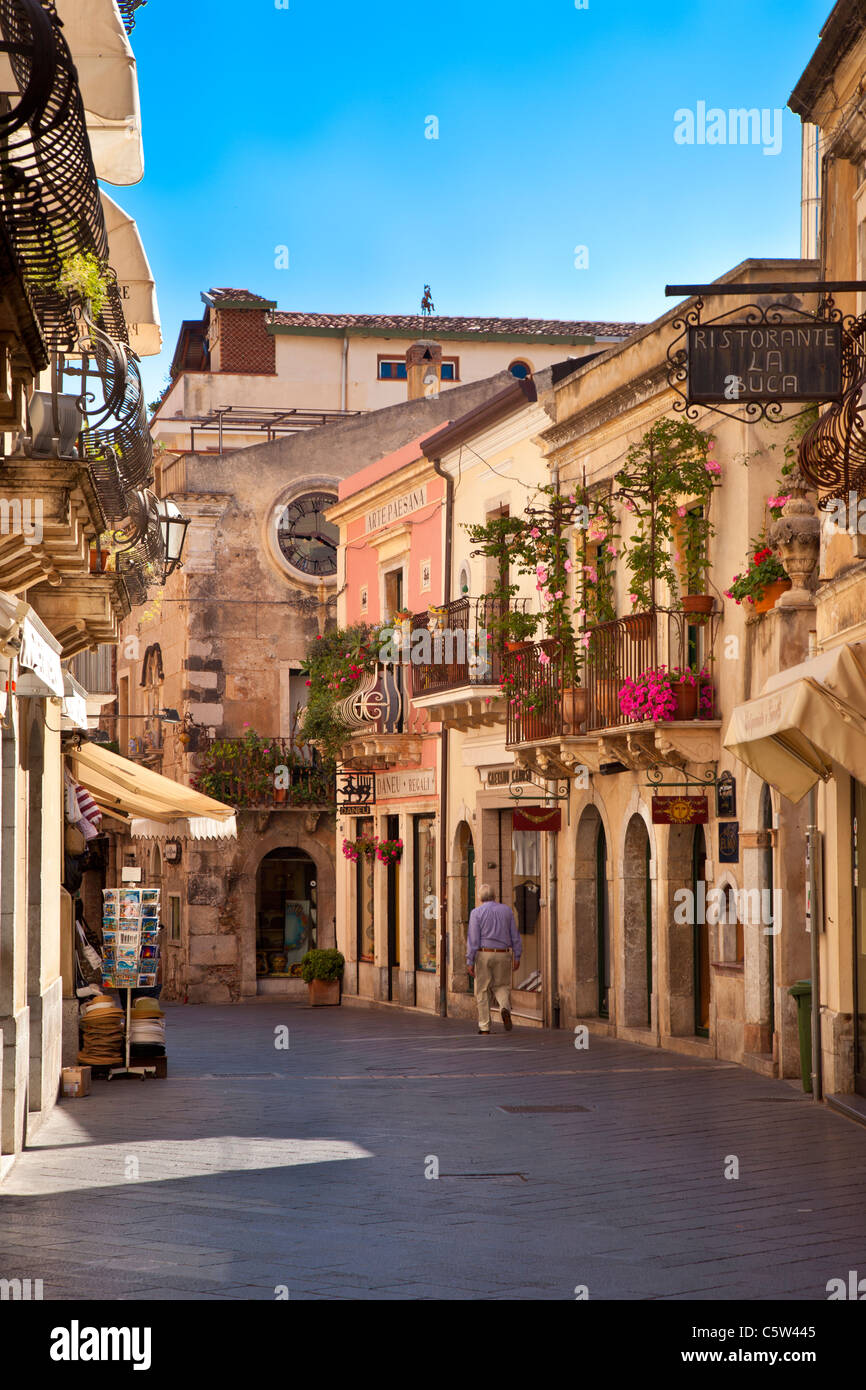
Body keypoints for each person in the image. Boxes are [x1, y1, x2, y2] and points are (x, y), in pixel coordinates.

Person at [466, 884, 521, 1034]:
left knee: (482, 990)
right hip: (503, 953)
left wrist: (470, 960)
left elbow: (473, 939)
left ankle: (484, 1026)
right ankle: (504, 1008)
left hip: (484, 954)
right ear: (494, 896)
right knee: (502, 986)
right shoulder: (507, 911)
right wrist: (517, 955)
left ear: (480, 897)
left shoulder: (476, 913)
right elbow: (515, 935)